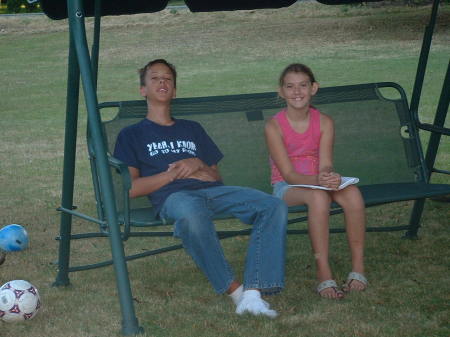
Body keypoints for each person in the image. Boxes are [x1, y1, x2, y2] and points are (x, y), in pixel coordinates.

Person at [114, 59, 287, 317]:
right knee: (191, 215)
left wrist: (196, 163)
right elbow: (132, 189)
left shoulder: (192, 128)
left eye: (168, 79)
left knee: (273, 205)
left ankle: (253, 292)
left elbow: (215, 177)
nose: (163, 82)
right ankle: (236, 291)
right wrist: (172, 174)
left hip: (211, 192)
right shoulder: (131, 134)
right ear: (143, 90)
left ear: (174, 90)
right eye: (155, 78)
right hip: (174, 198)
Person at [264, 63, 368, 299]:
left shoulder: (324, 122)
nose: (297, 91)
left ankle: (358, 267)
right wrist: (319, 181)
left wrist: (329, 175)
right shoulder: (273, 126)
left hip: (318, 180)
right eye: (290, 86)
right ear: (281, 91)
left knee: (353, 193)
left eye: (303, 85)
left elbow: (325, 163)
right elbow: (288, 175)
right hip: (288, 187)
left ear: (314, 88)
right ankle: (323, 273)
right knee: (318, 197)